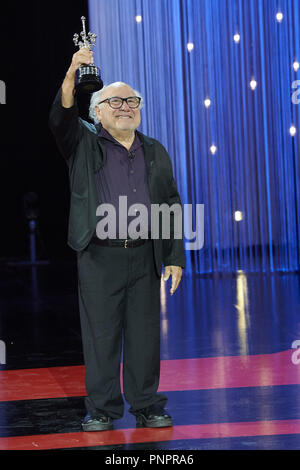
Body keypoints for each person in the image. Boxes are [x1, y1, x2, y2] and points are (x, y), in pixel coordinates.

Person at [49, 47, 185, 431]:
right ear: (97, 111)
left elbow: (170, 203)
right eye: (116, 101)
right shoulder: (83, 143)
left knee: (144, 337)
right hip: (98, 255)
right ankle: (102, 411)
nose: (126, 106)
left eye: (132, 100)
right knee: (101, 337)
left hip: (144, 255)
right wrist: (73, 71)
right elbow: (60, 118)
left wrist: (174, 256)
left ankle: (148, 406)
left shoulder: (155, 150)